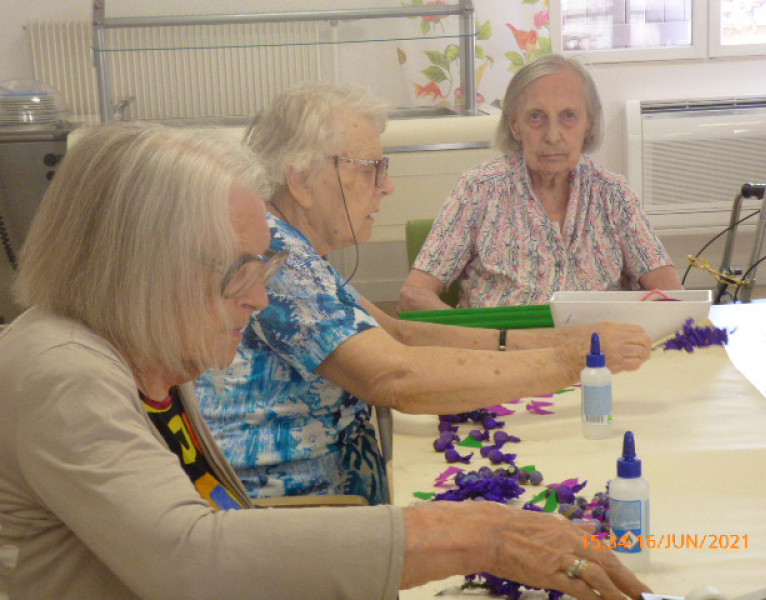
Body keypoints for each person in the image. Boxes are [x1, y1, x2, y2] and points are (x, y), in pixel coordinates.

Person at [0, 121, 651, 600]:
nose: (258, 299)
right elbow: (188, 559)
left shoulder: (147, 356)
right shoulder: (62, 369)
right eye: (240, 274)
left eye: (267, 267)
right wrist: (475, 534)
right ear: (143, 270)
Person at [196, 82, 651, 507]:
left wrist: (569, 342)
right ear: (300, 181)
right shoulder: (278, 257)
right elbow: (395, 378)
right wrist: (572, 362)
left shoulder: (290, 244)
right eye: (372, 168)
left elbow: (397, 333)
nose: (387, 185)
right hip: (296, 512)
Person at [398, 53, 682, 312]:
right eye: (536, 117)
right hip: (500, 356)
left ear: (589, 124)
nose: (553, 135)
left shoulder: (614, 193)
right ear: (514, 125)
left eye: (568, 116)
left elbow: (672, 295)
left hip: (596, 355)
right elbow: (414, 296)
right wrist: (479, 339)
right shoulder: (479, 189)